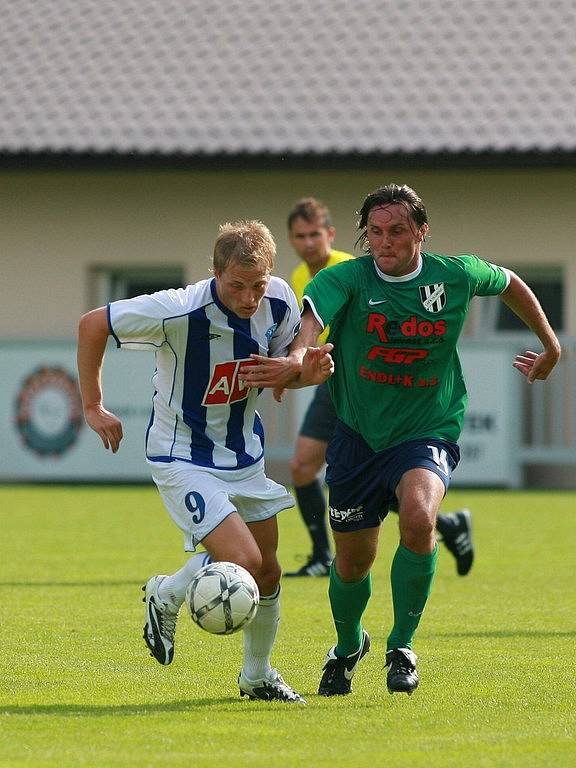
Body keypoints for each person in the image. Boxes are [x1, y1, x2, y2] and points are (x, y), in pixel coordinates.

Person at [239, 184, 561, 697]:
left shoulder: (454, 274)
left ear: (421, 232)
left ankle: (402, 645)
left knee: (417, 517)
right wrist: (300, 360)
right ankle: (348, 646)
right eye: (376, 233)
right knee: (352, 564)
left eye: (398, 231)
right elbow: (310, 327)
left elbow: (510, 283)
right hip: (358, 435)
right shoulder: (343, 278)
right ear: (365, 236)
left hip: (427, 429)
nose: (385, 242)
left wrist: (550, 343)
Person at [77, 220, 332, 704]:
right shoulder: (178, 310)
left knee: (269, 573)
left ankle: (257, 676)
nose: (249, 297)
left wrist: (308, 373)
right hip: (182, 456)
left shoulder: (278, 300)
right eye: (236, 285)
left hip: (243, 457)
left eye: (257, 284)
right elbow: (93, 323)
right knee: (245, 560)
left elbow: (276, 378)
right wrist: (93, 405)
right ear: (215, 273)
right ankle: (168, 594)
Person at [285, 196, 474, 578]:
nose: (308, 243)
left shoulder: (350, 268)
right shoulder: (299, 277)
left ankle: (325, 555)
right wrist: (295, 359)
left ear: (331, 234)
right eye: (299, 236)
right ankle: (445, 525)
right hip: (332, 375)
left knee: (313, 465)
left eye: (314, 234)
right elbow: (307, 329)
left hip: (359, 381)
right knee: (309, 467)